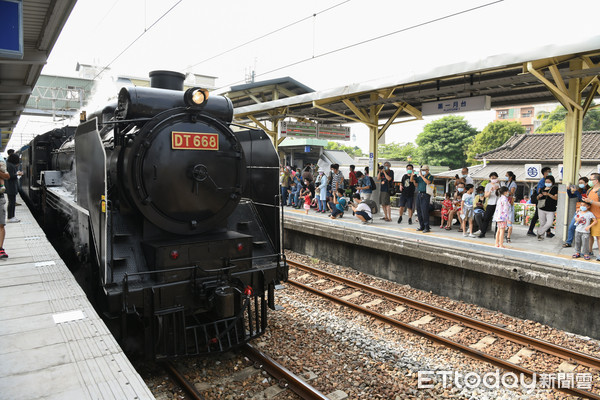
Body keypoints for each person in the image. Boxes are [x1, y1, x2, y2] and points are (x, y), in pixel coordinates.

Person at [563, 177, 589, 248]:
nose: (580, 184)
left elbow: (584, 200)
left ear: (586, 183)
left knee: (585, 229)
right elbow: (571, 196)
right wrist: (568, 190)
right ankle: (569, 242)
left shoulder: (589, 191)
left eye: (581, 183)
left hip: (588, 212)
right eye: (579, 183)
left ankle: (586, 246)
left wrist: (576, 192)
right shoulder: (579, 190)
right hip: (579, 211)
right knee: (572, 226)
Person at [527, 167, 553, 237]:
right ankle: (531, 230)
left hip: (543, 201)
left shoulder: (545, 180)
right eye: (549, 171)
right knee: (538, 216)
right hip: (541, 201)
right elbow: (539, 191)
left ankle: (547, 232)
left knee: (541, 216)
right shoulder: (542, 181)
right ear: (544, 173)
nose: (550, 172)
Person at [582, 173, 600, 260]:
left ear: (596, 181)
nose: (589, 181)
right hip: (589, 216)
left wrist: (591, 201)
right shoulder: (589, 190)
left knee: (598, 236)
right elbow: (588, 202)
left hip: (598, 217)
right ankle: (589, 251)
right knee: (589, 235)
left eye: (591, 180)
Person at [411, 165, 433, 233]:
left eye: (424, 170)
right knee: (419, 210)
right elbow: (412, 180)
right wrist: (412, 175)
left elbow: (428, 182)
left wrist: (422, 176)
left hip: (425, 194)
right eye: (422, 170)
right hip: (419, 194)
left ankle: (427, 227)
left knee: (424, 211)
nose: (422, 171)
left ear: (427, 170)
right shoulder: (420, 177)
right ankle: (421, 225)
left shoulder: (430, 176)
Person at [536, 175, 558, 241]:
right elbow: (537, 198)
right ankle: (541, 236)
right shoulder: (542, 188)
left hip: (551, 209)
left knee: (549, 223)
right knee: (542, 223)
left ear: (552, 182)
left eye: (549, 182)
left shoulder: (554, 188)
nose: (547, 183)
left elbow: (556, 198)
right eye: (546, 181)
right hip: (541, 208)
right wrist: (539, 196)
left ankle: (539, 232)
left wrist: (548, 194)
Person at [478, 172, 500, 238]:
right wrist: (491, 190)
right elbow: (486, 195)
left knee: (498, 219)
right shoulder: (488, 185)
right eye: (492, 178)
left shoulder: (500, 184)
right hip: (491, 203)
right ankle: (483, 232)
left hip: (498, 204)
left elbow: (503, 193)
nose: (493, 179)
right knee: (486, 218)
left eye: (495, 178)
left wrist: (498, 188)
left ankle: (497, 234)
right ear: (490, 178)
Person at [6, 153, 21, 223]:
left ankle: (12, 216)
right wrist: (18, 174)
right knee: (11, 202)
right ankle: (10, 217)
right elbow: (11, 176)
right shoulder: (11, 166)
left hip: (10, 186)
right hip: (11, 186)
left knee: (11, 202)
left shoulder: (9, 164)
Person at [504, 171, 517, 243]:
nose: (505, 177)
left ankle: (508, 236)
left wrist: (504, 192)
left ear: (510, 177)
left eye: (506, 175)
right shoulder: (506, 183)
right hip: (505, 202)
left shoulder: (513, 184)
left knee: (509, 219)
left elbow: (511, 193)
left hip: (509, 202)